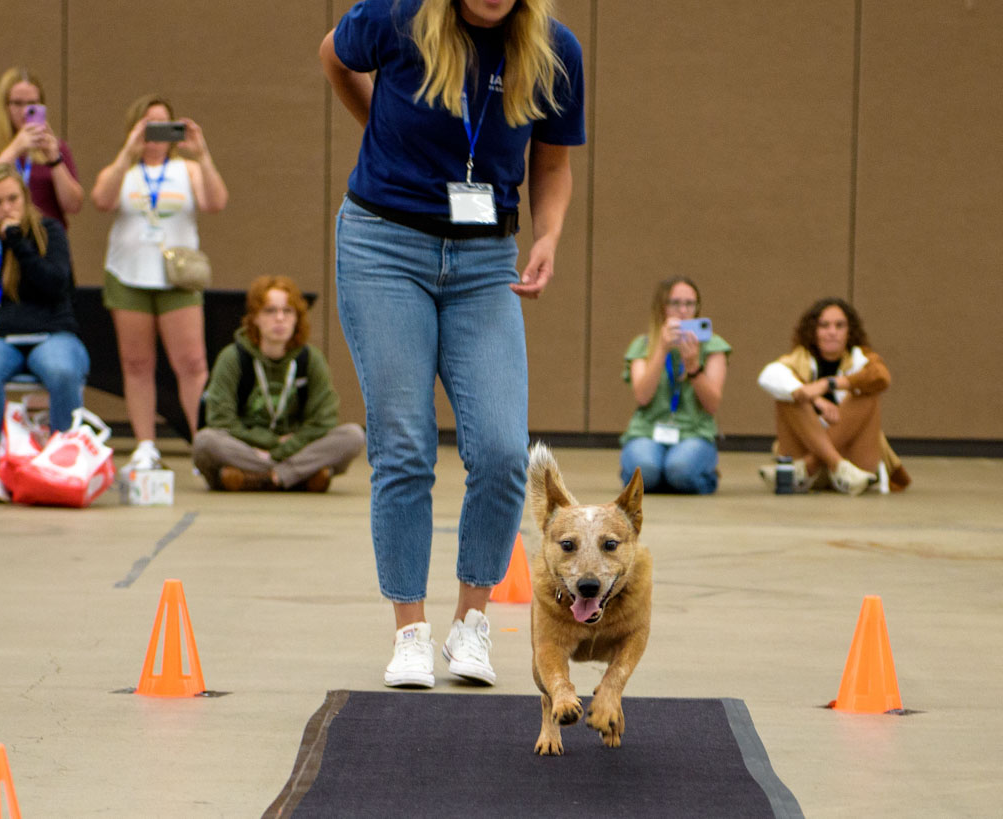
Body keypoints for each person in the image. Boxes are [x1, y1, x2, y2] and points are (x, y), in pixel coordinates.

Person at [321, 0, 584, 688]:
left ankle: (472, 624)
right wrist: (379, 132)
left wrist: (548, 235)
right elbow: (335, 55)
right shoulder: (398, 14)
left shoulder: (555, 50)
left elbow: (552, 164)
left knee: (502, 452)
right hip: (384, 245)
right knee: (404, 443)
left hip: (485, 258)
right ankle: (410, 630)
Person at [90, 94, 228, 469]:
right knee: (136, 364)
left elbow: (216, 202)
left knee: (193, 363)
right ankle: (145, 444)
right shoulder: (125, 171)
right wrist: (127, 152)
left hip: (178, 279)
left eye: (164, 126)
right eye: (148, 126)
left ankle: (204, 445)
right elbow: (101, 199)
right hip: (129, 275)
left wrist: (203, 155)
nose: (156, 136)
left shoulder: (189, 169)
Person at [0, 164, 89, 503]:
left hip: (52, 334)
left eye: (13, 199)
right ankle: (1, 466)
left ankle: (61, 467)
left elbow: (56, 284)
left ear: (25, 199)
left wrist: (18, 243)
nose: (5, 208)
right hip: (3, 339)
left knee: (62, 371)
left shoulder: (48, 232)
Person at [192, 275, 365, 492]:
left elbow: (324, 420)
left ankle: (257, 477)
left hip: (293, 446)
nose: (280, 318)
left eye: (287, 311)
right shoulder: (233, 357)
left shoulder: (310, 359)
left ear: (297, 318)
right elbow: (221, 419)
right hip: (248, 447)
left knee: (353, 436)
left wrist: (286, 448)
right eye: (270, 311)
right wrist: (271, 444)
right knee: (205, 441)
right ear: (255, 317)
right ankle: (294, 475)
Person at [757, 297, 910, 496]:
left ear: (849, 331)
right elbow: (769, 375)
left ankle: (814, 466)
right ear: (813, 331)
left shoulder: (860, 358)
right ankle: (834, 465)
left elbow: (881, 377)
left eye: (839, 326)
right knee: (789, 395)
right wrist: (813, 398)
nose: (832, 332)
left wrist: (827, 384)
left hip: (854, 465)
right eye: (824, 325)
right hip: (810, 464)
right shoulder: (799, 358)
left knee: (866, 394)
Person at [618, 277, 729, 494]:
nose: (683, 310)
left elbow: (712, 404)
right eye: (675, 303)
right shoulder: (643, 345)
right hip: (648, 431)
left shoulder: (713, 346)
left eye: (690, 304)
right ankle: (658, 475)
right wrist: (661, 350)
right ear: (662, 307)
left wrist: (693, 367)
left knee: (680, 470)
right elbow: (642, 396)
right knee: (646, 470)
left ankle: (696, 476)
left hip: (694, 432)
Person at [0, 67, 83, 226]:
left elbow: (74, 205)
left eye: (32, 104)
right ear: (4, 106)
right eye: (17, 104)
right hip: (2, 236)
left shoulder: (56, 147)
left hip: (46, 239)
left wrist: (54, 160)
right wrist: (15, 149)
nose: (24, 111)